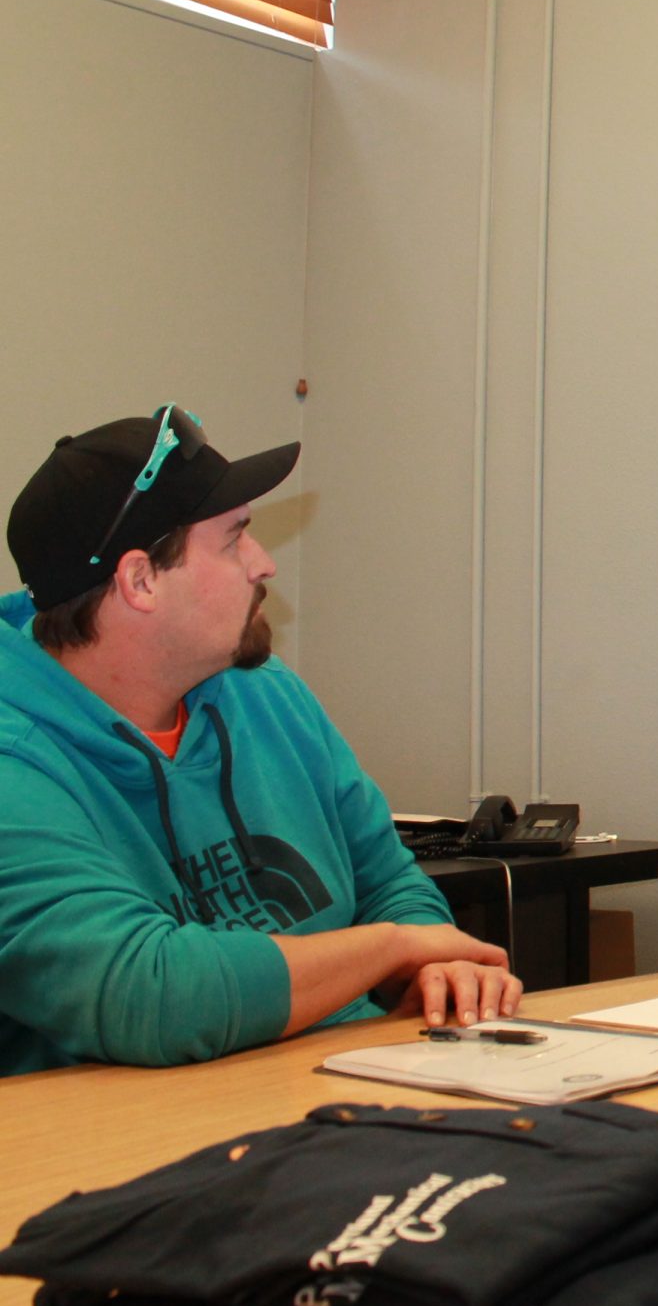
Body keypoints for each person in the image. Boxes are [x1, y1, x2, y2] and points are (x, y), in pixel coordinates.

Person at [0, 406, 521, 1077]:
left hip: (348, 1093)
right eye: (234, 538)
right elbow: (152, 994)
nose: (264, 563)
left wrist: (438, 964)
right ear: (141, 580)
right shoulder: (17, 760)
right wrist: (394, 948)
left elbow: (388, 879)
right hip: (135, 1147)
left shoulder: (264, 692)